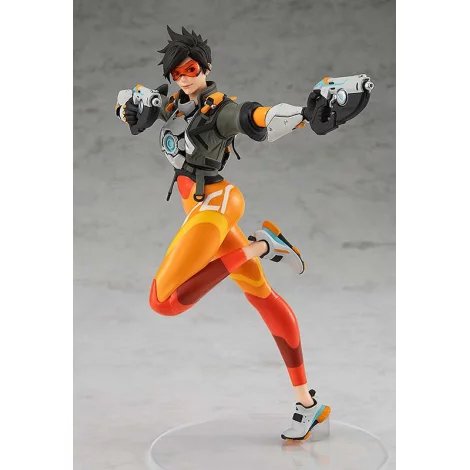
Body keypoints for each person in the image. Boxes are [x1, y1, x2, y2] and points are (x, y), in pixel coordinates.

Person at [115, 26, 339, 441]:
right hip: (200, 208)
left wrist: (306, 115)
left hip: (217, 204)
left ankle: (260, 246)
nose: (184, 78)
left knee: (163, 302)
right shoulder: (174, 103)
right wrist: (127, 108)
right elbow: (135, 101)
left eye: (191, 69)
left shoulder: (221, 110)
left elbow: (257, 117)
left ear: (205, 68)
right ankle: (307, 404)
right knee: (263, 298)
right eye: (176, 73)